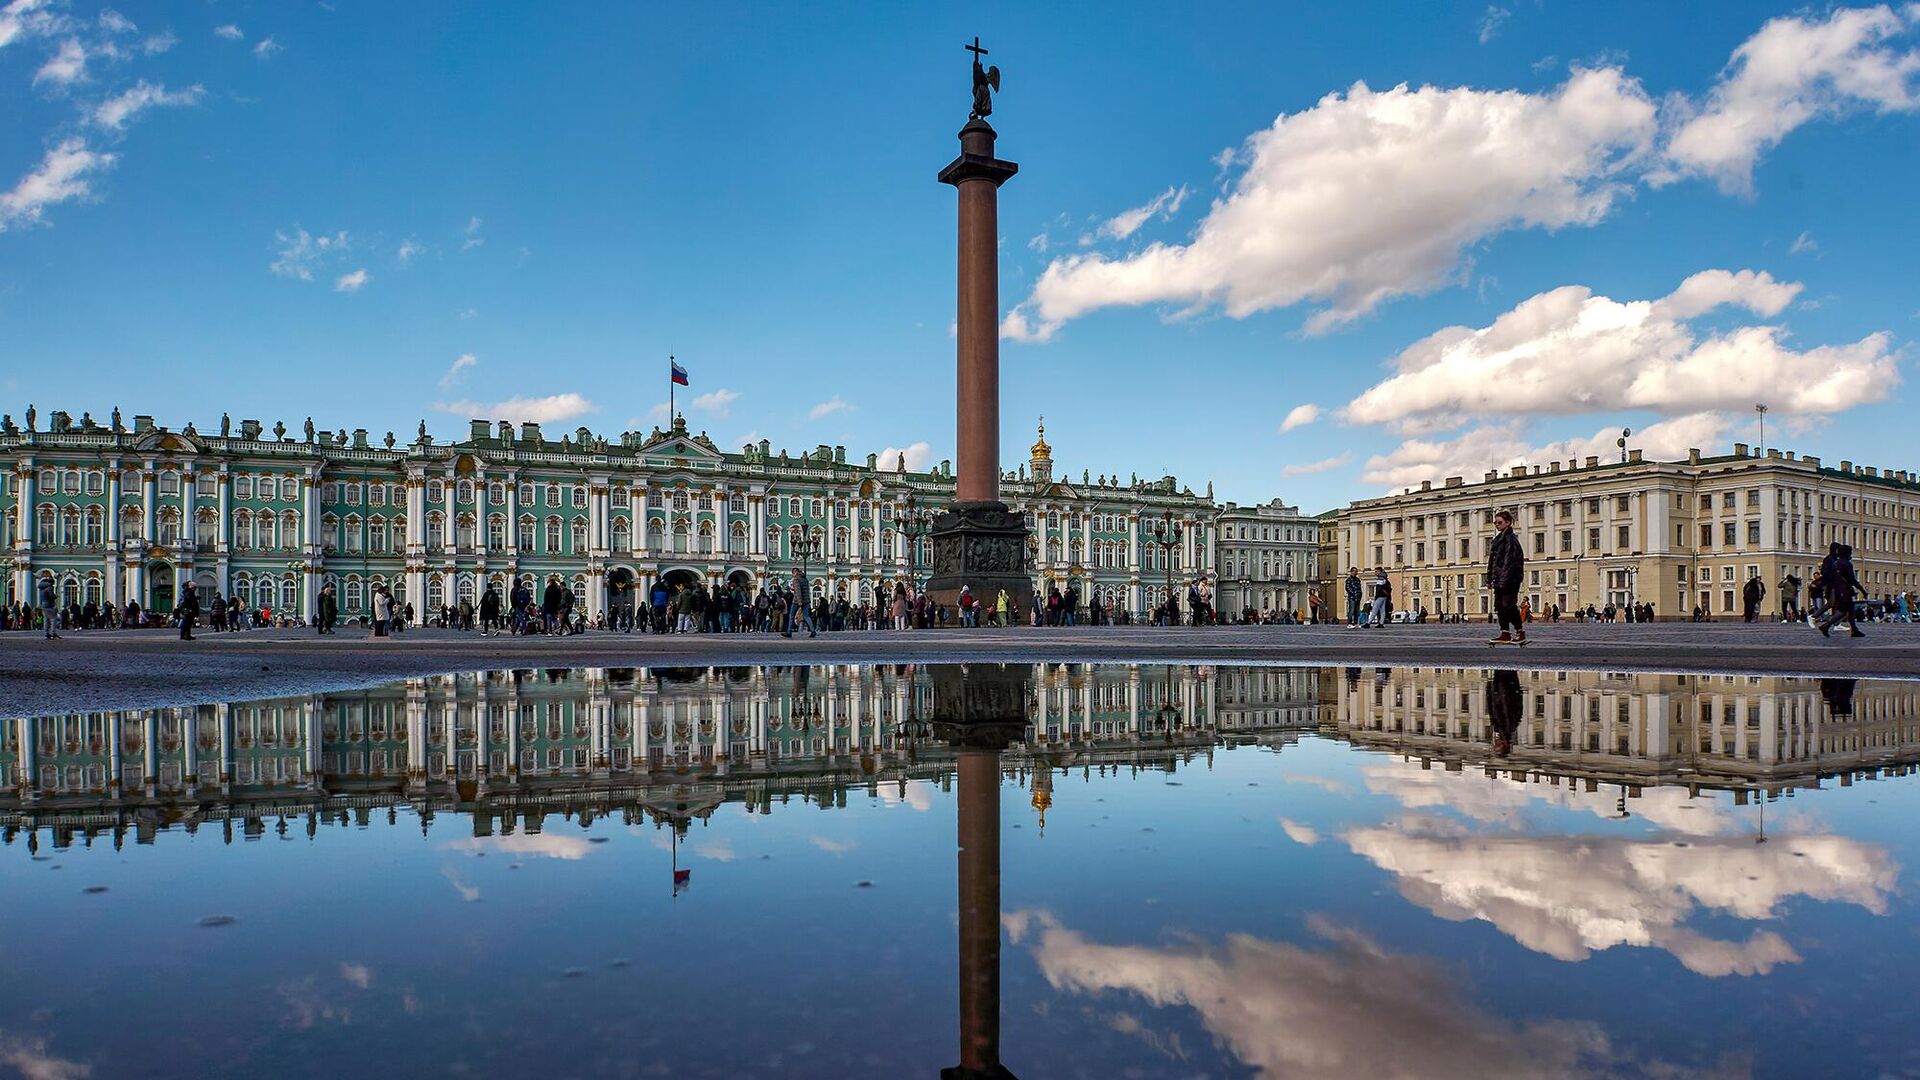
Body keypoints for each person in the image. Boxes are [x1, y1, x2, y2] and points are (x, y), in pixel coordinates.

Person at [1486, 509, 1526, 644]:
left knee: (1509, 606)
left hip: (1510, 579)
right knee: (1499, 606)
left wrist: (1504, 580)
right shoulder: (1498, 540)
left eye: (1499, 522)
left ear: (1508, 523)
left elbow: (1510, 562)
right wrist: (1490, 578)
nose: (1497, 525)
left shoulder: (1510, 540)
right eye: (1495, 523)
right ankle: (1505, 633)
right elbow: (1492, 562)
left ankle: (1520, 632)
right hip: (1499, 579)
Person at [1815, 542, 1865, 638]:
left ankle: (1854, 630)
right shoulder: (1847, 564)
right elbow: (1852, 579)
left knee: (1850, 611)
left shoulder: (1835, 563)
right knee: (1843, 611)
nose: (1851, 554)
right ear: (1847, 553)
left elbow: (1832, 578)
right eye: (1850, 552)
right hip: (1845, 590)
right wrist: (1862, 590)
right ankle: (1826, 626)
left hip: (1838, 590)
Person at [785, 568, 817, 638]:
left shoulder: (796, 579)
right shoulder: (805, 579)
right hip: (806, 600)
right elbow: (804, 590)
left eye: (793, 574)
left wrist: (799, 601)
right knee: (807, 616)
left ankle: (789, 632)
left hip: (797, 600)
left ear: (794, 573)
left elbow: (798, 590)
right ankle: (813, 631)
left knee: (791, 615)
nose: (793, 576)